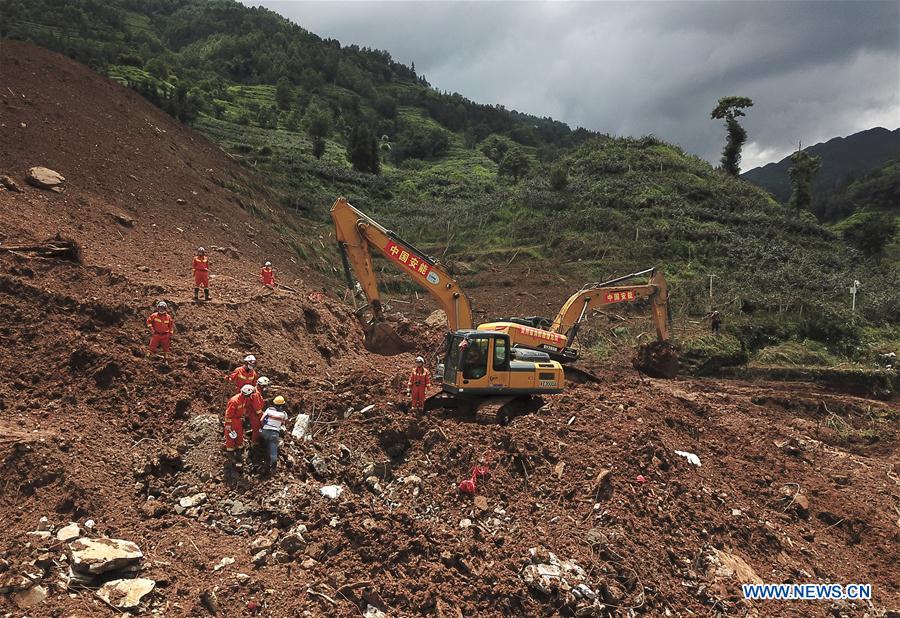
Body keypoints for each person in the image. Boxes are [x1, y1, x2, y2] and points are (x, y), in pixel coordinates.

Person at [224, 384, 256, 466]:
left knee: (239, 437)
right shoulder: (234, 401)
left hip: (238, 420)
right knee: (230, 438)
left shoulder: (243, 399)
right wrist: (228, 424)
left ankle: (239, 454)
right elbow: (228, 413)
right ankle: (231, 457)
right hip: (232, 421)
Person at [259, 396, 288, 474]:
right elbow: (284, 422)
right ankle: (273, 468)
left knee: (265, 447)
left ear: (274, 403)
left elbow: (261, 420)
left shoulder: (269, 410)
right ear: (282, 404)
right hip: (274, 433)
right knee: (273, 451)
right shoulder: (284, 414)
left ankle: (263, 463)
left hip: (265, 431)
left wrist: (264, 427)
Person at [248, 376, 271, 444]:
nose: (266, 387)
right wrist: (262, 415)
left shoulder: (257, 391)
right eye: (264, 386)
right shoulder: (256, 393)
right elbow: (257, 408)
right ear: (261, 385)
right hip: (254, 413)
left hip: (255, 412)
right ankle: (255, 443)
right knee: (257, 428)